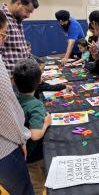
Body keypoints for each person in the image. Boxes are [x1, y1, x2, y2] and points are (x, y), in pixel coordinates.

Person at [0, 11, 34, 195]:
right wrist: (21, 137)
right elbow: (5, 108)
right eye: (4, 34)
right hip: (5, 147)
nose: (4, 40)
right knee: (23, 189)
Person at [13, 59, 52, 195]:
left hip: (20, 153)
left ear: (14, 82)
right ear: (40, 81)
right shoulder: (35, 105)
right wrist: (46, 122)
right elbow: (35, 135)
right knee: (37, 184)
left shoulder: (15, 99)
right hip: (34, 155)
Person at [0, 0, 39, 77]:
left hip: (22, 77)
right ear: (18, 3)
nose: (28, 16)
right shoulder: (2, 17)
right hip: (10, 78)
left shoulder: (18, 18)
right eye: (27, 11)